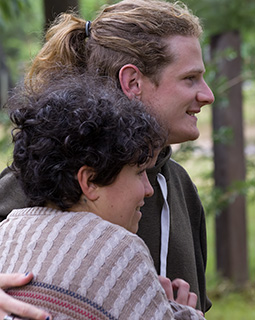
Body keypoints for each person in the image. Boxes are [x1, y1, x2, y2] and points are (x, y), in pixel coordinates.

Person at [0, 0, 215, 315]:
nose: (207, 95)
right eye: (189, 79)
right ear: (133, 82)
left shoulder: (181, 188)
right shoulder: (41, 177)